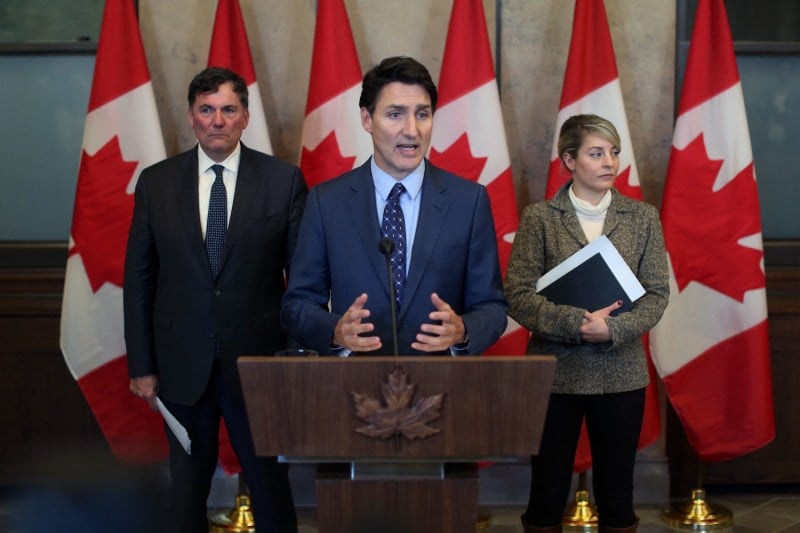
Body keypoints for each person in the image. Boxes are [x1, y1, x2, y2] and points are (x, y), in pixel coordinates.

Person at [124, 67, 307, 533]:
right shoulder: (156, 183)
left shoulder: (282, 181)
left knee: (269, 485)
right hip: (181, 365)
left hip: (259, 364)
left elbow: (303, 280)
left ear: (245, 116)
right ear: (191, 117)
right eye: (207, 110)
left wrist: (298, 359)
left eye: (229, 110)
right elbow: (140, 279)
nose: (217, 120)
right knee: (186, 490)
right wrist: (142, 366)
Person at [504, 114, 669, 533]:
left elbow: (656, 295)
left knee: (617, 495)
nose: (609, 161)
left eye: (613, 152)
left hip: (622, 374)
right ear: (569, 160)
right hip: (555, 374)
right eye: (596, 153)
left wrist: (612, 330)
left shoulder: (643, 216)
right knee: (546, 493)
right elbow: (518, 295)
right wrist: (573, 322)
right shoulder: (539, 218)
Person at [281, 56, 507, 356]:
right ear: (366, 119)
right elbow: (298, 304)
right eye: (396, 114)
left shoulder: (468, 201)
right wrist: (334, 331)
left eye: (422, 114)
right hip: (354, 387)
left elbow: (492, 308)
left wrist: (463, 330)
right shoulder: (327, 202)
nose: (412, 130)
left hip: (442, 385)